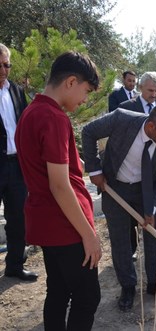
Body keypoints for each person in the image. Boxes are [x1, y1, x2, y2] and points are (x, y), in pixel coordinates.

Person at [15, 51, 102, 330]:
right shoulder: (53, 118)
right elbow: (59, 185)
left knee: (60, 291)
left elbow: (55, 168)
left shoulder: (31, 112)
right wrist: (89, 235)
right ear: (71, 82)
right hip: (65, 226)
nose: (85, 99)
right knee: (88, 296)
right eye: (86, 91)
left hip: (47, 222)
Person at [81, 103, 156, 312]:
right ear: (152, 126)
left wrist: (152, 208)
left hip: (148, 191)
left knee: (155, 238)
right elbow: (88, 132)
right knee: (121, 241)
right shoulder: (121, 119)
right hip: (115, 187)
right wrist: (94, 169)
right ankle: (128, 286)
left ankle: (155, 283)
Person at [118, 71, 156, 259]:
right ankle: (132, 247)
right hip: (132, 170)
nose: (153, 94)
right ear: (141, 87)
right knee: (130, 215)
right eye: (150, 90)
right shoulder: (127, 107)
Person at [0, 43, 37, 282]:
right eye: (0, 65)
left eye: (7, 65)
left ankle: (14, 265)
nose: (4, 69)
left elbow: (25, 122)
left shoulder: (14, 89)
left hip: (15, 166)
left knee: (17, 218)